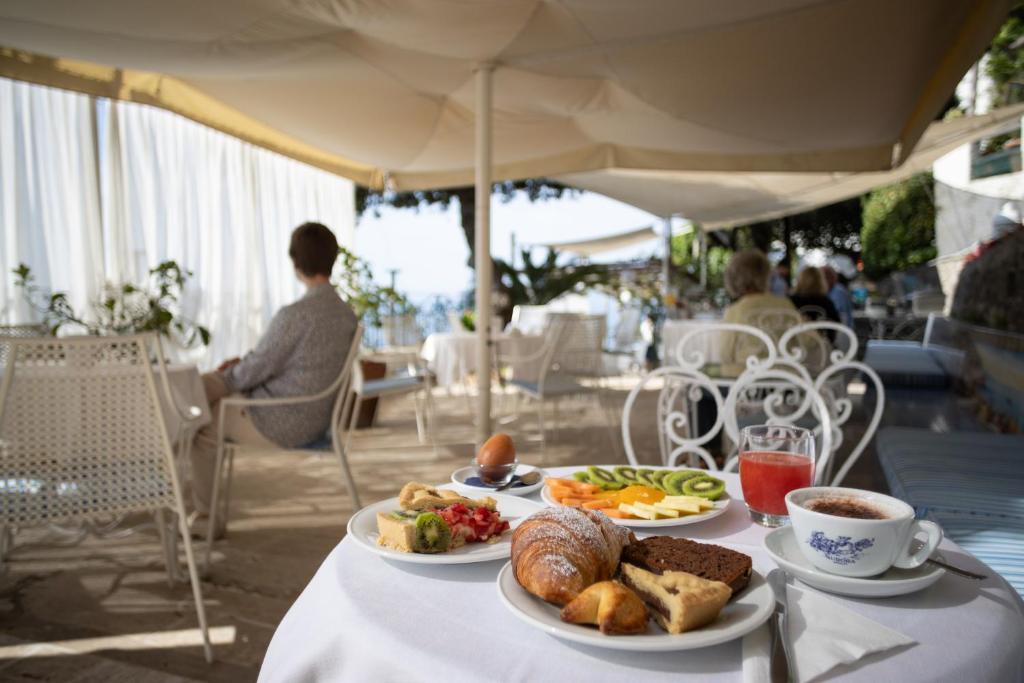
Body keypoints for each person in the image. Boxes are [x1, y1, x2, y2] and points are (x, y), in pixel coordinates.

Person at [189, 222, 358, 536]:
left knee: (201, 424)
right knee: (206, 388)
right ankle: (170, 425)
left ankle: (204, 519)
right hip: (316, 415)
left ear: (295, 263)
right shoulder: (345, 313)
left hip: (282, 419)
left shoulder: (296, 314)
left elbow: (256, 369)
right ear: (332, 259)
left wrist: (228, 375)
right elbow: (288, 364)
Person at [720, 249, 802, 376]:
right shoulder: (785, 304)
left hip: (743, 382)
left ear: (733, 277)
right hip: (783, 378)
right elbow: (802, 343)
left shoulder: (734, 310)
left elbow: (725, 354)